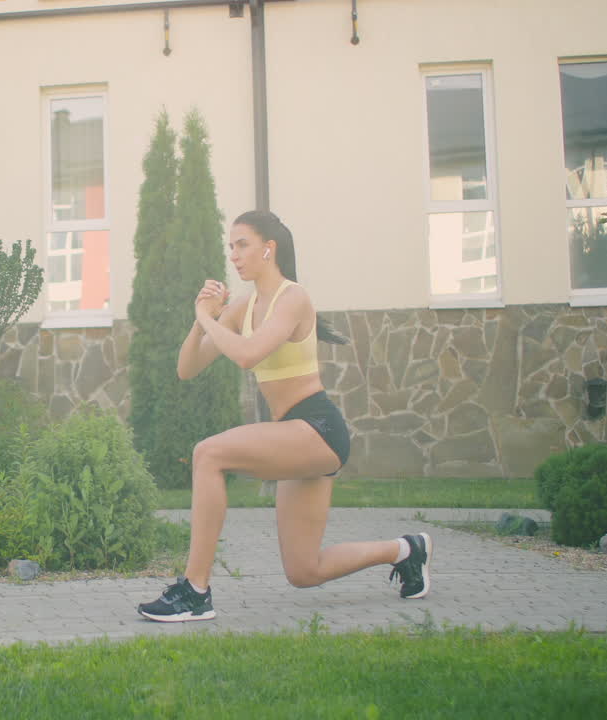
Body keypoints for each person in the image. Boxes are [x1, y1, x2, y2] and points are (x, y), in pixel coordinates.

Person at [137, 210, 432, 623]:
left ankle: (195, 590)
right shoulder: (244, 307)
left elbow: (246, 354)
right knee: (303, 571)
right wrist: (198, 319)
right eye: (231, 247)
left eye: (242, 245)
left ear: (268, 249)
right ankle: (406, 550)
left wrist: (209, 319)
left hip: (318, 429)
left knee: (209, 454)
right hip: (294, 435)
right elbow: (187, 368)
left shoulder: (293, 298)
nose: (234, 255)